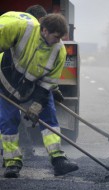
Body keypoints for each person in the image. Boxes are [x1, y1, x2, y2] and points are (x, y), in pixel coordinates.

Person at [0, 10, 78, 178]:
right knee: (8, 120)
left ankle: (58, 160)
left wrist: (37, 106)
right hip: (6, 78)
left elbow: (47, 84)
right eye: (56, 37)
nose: (58, 42)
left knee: (49, 114)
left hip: (34, 84)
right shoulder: (21, 28)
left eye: (60, 38)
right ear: (44, 31)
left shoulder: (59, 51)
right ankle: (12, 162)